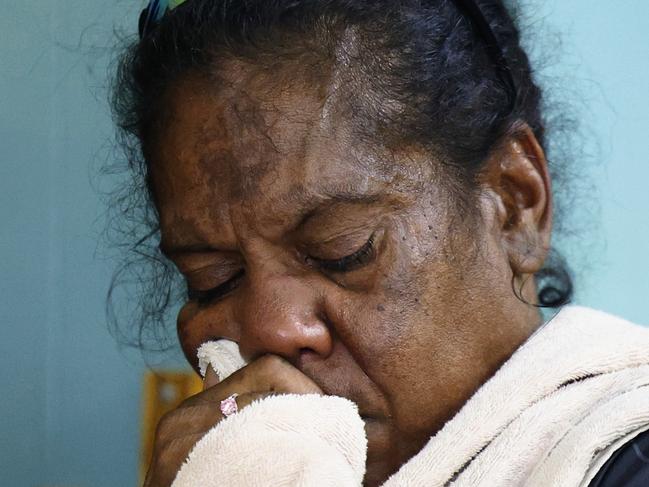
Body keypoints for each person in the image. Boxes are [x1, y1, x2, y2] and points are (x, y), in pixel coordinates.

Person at [110, 0, 649, 485]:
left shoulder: (622, 455)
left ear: (515, 203)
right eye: (213, 280)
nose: (272, 330)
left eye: (343, 250)